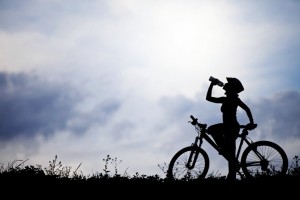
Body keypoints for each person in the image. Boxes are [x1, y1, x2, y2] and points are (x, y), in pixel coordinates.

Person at [206, 77, 255, 181]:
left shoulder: (233, 98)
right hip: (228, 127)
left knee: (212, 130)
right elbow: (209, 98)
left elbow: (247, 109)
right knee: (230, 156)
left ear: (232, 88)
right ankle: (231, 176)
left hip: (231, 127)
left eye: (228, 85)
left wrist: (251, 122)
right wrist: (212, 84)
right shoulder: (226, 98)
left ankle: (223, 149)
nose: (225, 86)